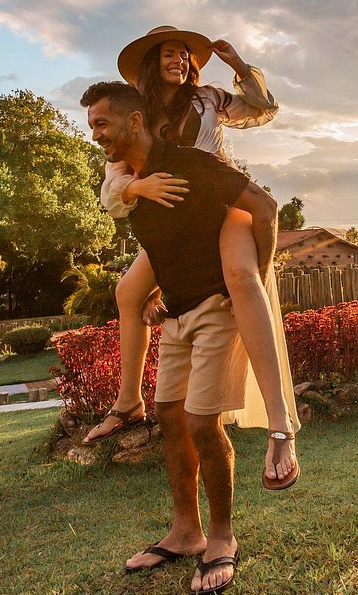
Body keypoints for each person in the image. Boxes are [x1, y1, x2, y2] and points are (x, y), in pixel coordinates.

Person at [81, 79, 279, 595]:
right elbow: (165, 243)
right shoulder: (128, 185)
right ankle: (186, 532)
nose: (95, 134)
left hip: (216, 307)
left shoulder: (192, 163)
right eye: (92, 125)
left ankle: (222, 537)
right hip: (174, 314)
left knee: (201, 422)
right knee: (170, 417)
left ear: (135, 120)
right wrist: (153, 292)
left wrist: (256, 277)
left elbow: (264, 206)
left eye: (102, 123)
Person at [83, 25, 299, 491]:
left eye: (184, 54)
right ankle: (128, 401)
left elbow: (263, 110)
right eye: (168, 53)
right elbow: (113, 183)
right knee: (128, 292)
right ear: (151, 62)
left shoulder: (209, 99)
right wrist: (137, 187)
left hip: (220, 201)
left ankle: (281, 425)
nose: (178, 60)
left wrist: (239, 65)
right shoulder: (137, 114)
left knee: (241, 277)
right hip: (175, 217)